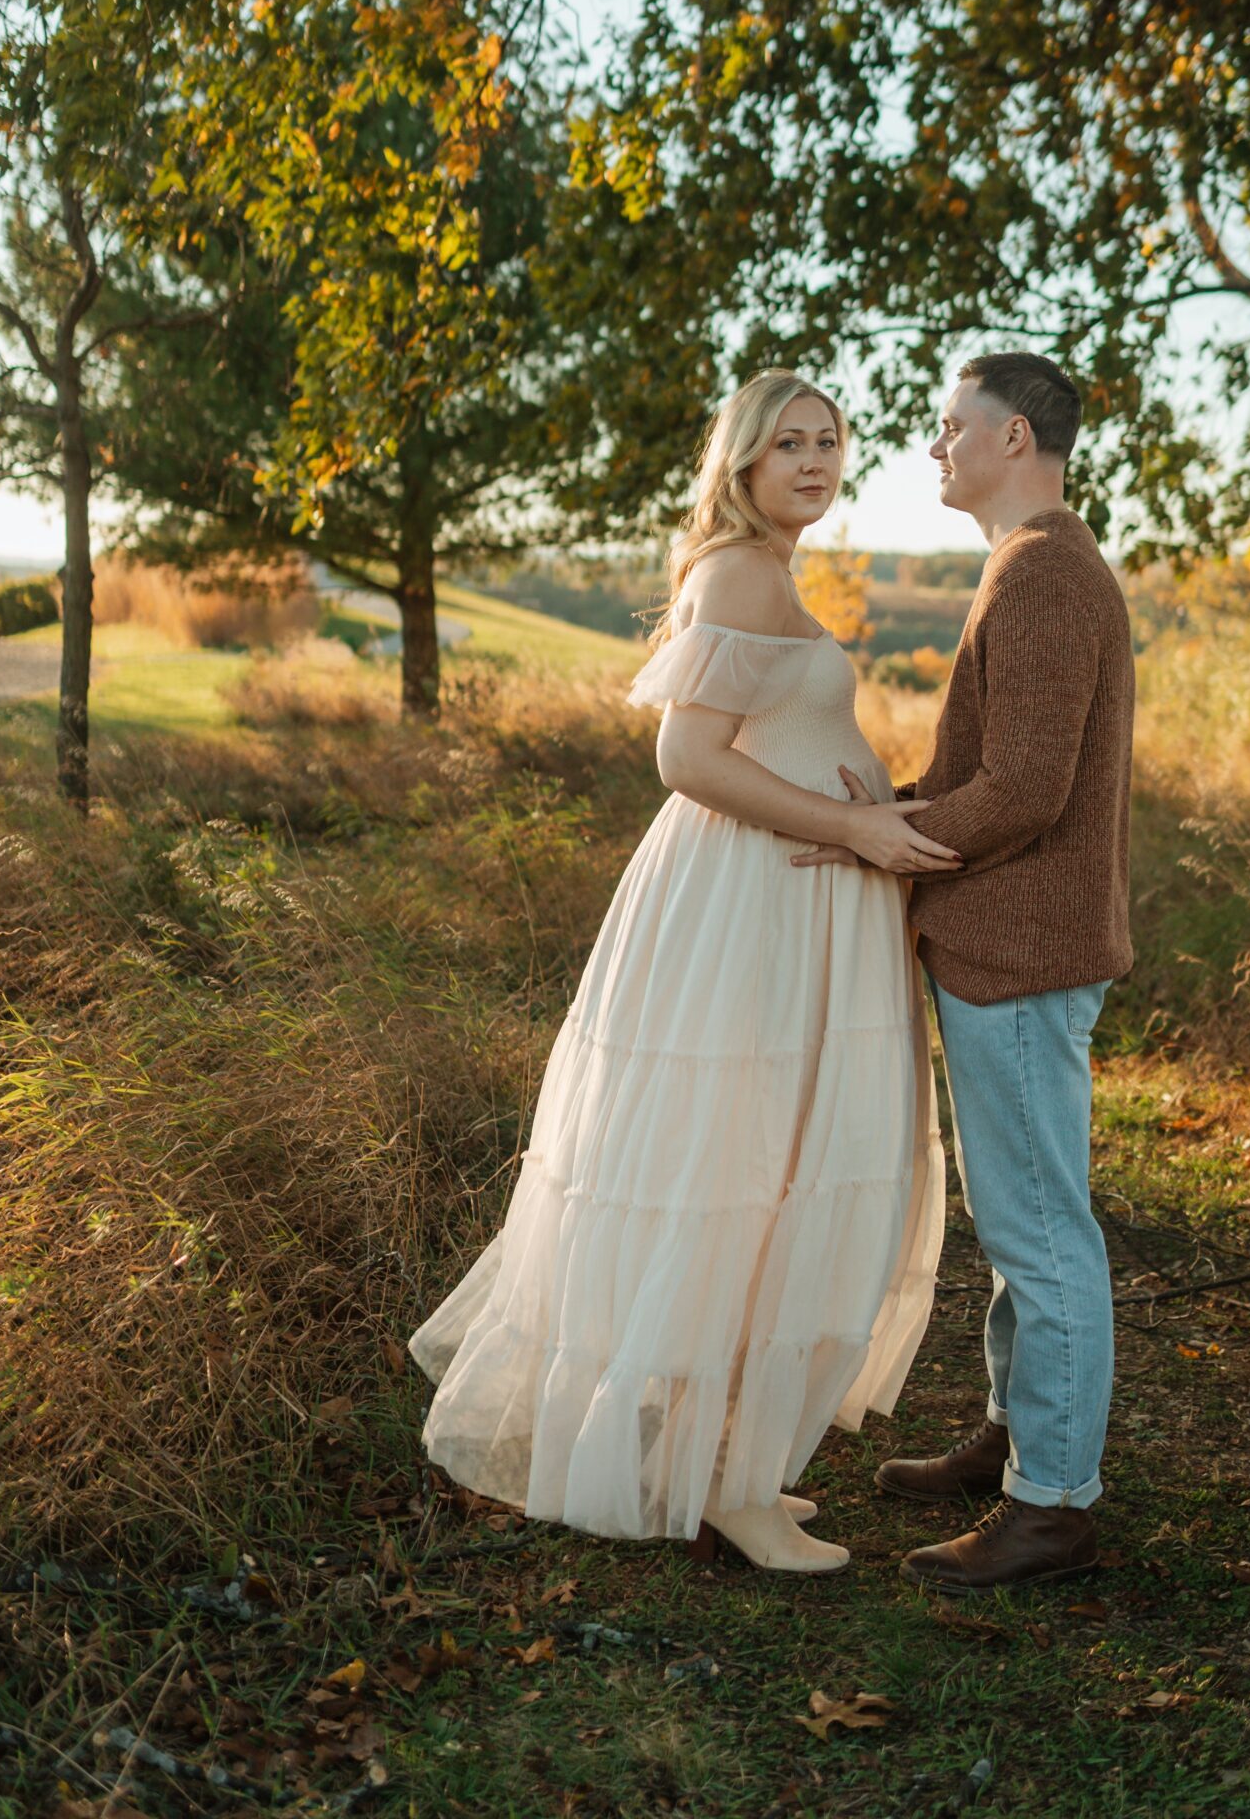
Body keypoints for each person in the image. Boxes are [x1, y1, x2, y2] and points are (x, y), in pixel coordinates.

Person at [410, 370, 948, 1573]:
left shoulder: (772, 571)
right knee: (741, 1168)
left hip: (792, 901)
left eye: (829, 441)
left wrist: (875, 814)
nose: (814, 460)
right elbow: (686, 756)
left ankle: (725, 1460)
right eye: (788, 442)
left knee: (772, 1165)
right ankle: (720, 1478)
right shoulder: (741, 570)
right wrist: (852, 824)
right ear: (743, 459)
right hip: (753, 903)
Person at [800, 351, 1134, 1591]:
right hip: (1011, 945)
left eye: (951, 427)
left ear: (1015, 439)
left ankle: (1053, 1504)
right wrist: (883, 808)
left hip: (1024, 953)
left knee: (1041, 1231)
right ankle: (1016, 1439)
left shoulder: (1043, 572)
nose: (934, 447)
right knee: (1020, 1219)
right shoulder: (1032, 562)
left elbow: (1028, 789)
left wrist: (889, 841)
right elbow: (993, 770)